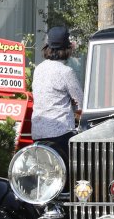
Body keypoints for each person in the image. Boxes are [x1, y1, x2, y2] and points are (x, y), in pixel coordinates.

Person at [30, 26, 82, 162]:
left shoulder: (39, 69)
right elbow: (81, 103)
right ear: (68, 48)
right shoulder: (66, 71)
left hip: (38, 133)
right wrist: (73, 106)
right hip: (61, 133)